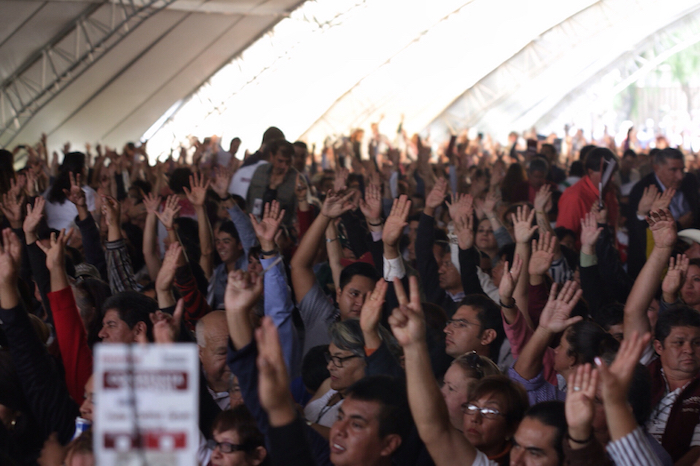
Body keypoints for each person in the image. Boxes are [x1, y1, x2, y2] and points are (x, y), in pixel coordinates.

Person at [627, 148, 700, 278]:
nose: (680, 176)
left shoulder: (690, 181)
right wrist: (679, 224)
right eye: (673, 170)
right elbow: (639, 236)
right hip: (659, 266)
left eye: (682, 170)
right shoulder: (643, 190)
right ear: (657, 168)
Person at [556, 147, 618, 245]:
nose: (613, 179)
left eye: (613, 173)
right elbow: (564, 240)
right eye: (607, 174)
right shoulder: (574, 197)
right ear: (591, 172)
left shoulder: (609, 191)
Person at [246, 139, 302, 226]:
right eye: (280, 161)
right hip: (253, 225)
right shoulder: (260, 171)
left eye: (288, 162)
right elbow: (249, 198)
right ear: (272, 156)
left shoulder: (296, 179)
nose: (284, 166)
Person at [197, 311, 234, 410]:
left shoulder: (258, 389)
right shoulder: (189, 385)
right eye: (223, 353)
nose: (233, 359)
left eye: (238, 351)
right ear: (200, 352)